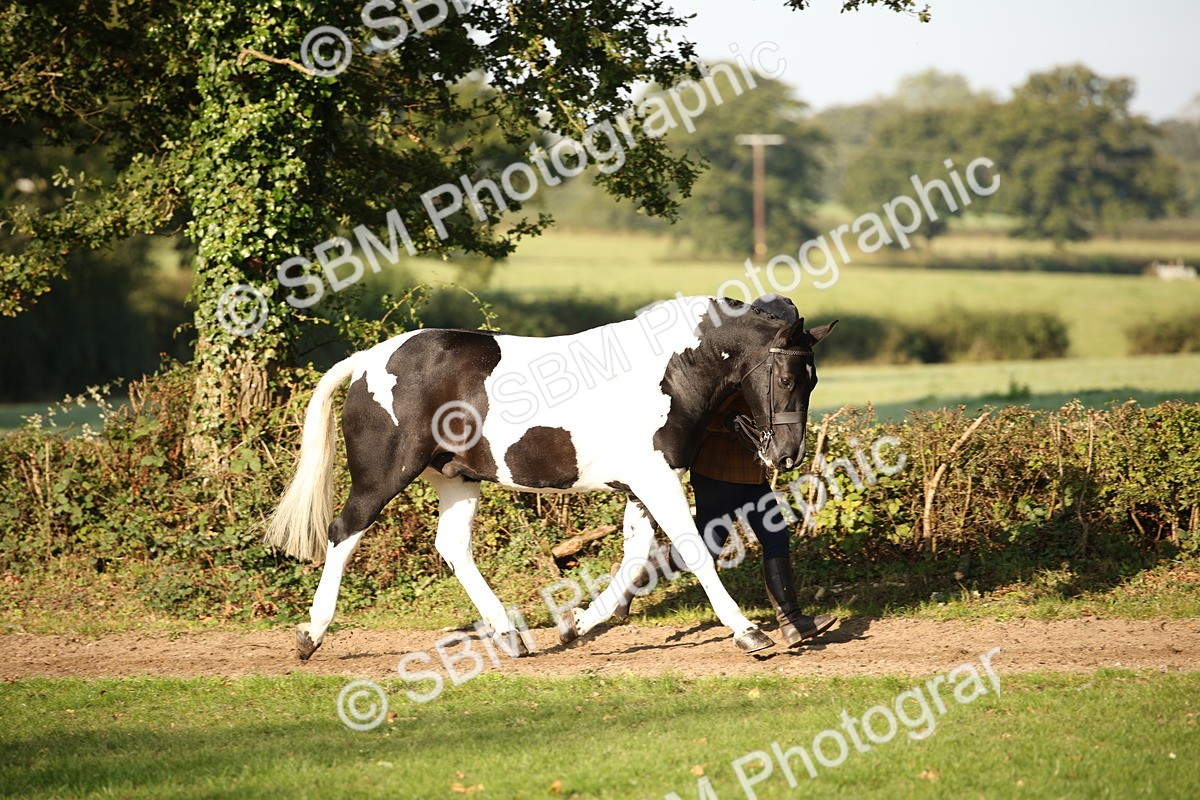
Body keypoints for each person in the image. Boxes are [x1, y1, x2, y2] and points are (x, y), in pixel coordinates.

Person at [612, 295, 837, 646]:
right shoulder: (733, 361)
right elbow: (699, 410)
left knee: (773, 537)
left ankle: (791, 621)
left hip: (750, 471)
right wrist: (732, 422)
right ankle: (631, 582)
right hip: (717, 469)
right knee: (708, 546)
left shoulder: (766, 364)